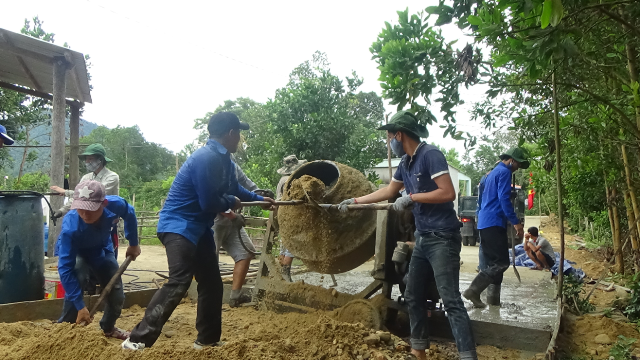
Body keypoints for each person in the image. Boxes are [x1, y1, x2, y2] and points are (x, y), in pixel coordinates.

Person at [123, 112, 276, 351]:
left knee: (212, 282)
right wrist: (231, 200)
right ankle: (137, 340)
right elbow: (209, 202)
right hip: (178, 226)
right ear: (231, 134)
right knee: (179, 280)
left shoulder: (224, 160)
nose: (240, 139)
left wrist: (260, 200)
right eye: (239, 134)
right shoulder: (206, 158)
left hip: (198, 228)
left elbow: (234, 188)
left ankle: (207, 340)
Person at [338, 111, 477, 360]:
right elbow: (390, 190)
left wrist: (411, 197)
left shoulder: (430, 155)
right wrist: (356, 201)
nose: (389, 141)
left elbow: (447, 193)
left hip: (443, 236)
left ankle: (468, 356)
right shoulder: (406, 163)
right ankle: (418, 350)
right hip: (424, 237)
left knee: (451, 299)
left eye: (390, 136)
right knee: (412, 294)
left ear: (399, 135)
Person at [56, 180, 140, 339]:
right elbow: (65, 269)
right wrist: (81, 306)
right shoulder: (70, 227)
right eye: (80, 209)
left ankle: (108, 327)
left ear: (104, 204)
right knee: (77, 276)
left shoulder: (115, 204)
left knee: (115, 289)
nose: (85, 214)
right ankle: (65, 329)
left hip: (101, 247)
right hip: (77, 250)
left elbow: (130, 212)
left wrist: (133, 244)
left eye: (90, 209)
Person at [463, 147, 530, 308]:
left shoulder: (490, 174)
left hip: (484, 221)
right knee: (501, 263)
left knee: (492, 264)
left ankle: (493, 302)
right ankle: (473, 290)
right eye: (518, 165)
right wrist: (515, 222)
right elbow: (503, 199)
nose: (518, 168)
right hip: (494, 222)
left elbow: (482, 198)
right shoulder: (504, 173)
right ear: (512, 160)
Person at [214, 162, 271, 307]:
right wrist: (232, 215)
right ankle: (206, 297)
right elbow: (212, 198)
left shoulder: (232, 165)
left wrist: (261, 196)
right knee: (209, 261)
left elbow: (246, 184)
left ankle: (235, 296)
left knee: (245, 251)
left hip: (231, 219)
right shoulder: (211, 164)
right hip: (212, 221)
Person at [50, 144, 121, 256]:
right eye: (86, 159)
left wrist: (66, 192)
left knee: (107, 252)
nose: (87, 162)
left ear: (100, 159)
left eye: (90, 159)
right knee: (88, 252)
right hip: (88, 218)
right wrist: (62, 210)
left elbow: (94, 194)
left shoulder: (112, 177)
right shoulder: (86, 178)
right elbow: (79, 199)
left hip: (107, 220)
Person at [275, 155, 307, 282]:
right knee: (292, 244)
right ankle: (285, 274)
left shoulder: (282, 179)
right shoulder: (290, 180)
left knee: (285, 243)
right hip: (289, 214)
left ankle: (281, 275)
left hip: (281, 213)